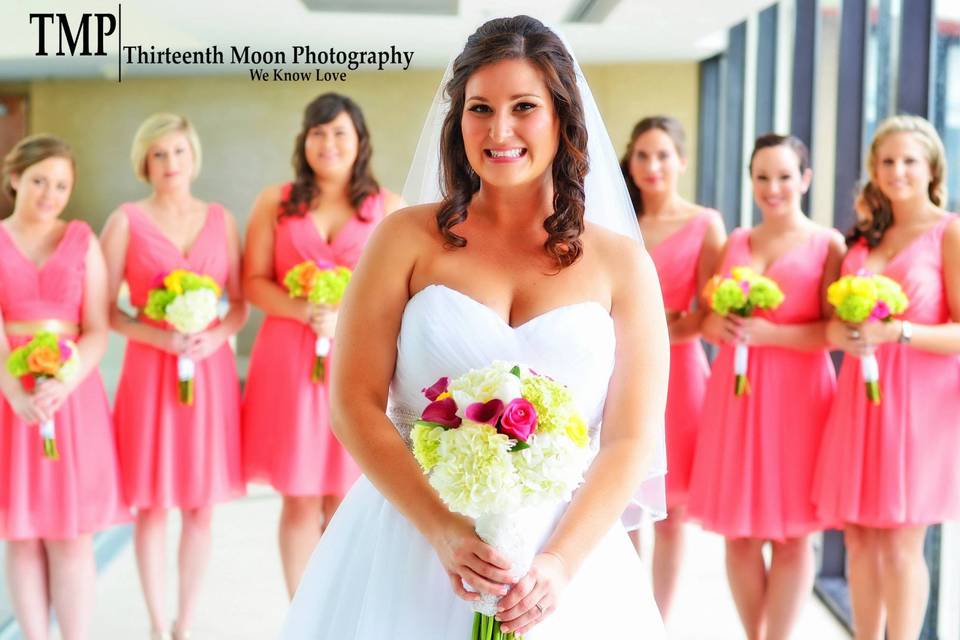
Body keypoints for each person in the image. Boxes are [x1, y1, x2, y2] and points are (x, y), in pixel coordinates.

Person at [279, 15, 669, 639]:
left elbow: (630, 437)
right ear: (456, 119)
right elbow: (353, 402)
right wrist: (443, 529)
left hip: (563, 561)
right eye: (479, 108)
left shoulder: (622, 265)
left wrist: (560, 566)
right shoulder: (403, 239)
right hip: (412, 539)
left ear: (563, 119)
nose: (500, 130)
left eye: (524, 107)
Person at [241, 93, 403, 597]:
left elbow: (398, 291)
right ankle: (300, 611)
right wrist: (302, 311)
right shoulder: (276, 202)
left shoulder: (388, 207)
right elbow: (253, 280)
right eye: (318, 132)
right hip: (288, 357)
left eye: (339, 133)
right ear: (304, 141)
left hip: (356, 357)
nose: (328, 143)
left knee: (344, 493)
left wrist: (346, 319)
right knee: (297, 494)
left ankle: (338, 608)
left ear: (359, 142)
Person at [688, 134, 843, 640]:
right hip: (736, 397)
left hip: (800, 397)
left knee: (795, 535)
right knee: (739, 535)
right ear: (751, 180)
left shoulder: (828, 244)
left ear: (805, 178)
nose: (772, 188)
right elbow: (707, 321)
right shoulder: (734, 242)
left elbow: (833, 330)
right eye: (762, 177)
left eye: (783, 176)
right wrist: (722, 328)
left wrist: (773, 333)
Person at [100, 113, 248, 640]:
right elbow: (106, 312)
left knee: (200, 506)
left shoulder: (220, 219)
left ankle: (186, 621)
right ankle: (156, 623)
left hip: (208, 376)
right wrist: (161, 337)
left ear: (193, 157)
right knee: (152, 506)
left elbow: (239, 306)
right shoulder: (124, 221)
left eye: (178, 152)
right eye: (159, 154)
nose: (170, 164)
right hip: (149, 372)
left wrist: (214, 336)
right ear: (145, 162)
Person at [813, 115, 960, 640]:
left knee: (900, 542)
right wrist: (845, 334)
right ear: (874, 170)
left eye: (909, 161)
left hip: (921, 405)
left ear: (932, 169)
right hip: (859, 396)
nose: (898, 171)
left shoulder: (950, 230)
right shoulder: (863, 238)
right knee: (858, 539)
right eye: (888, 161)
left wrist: (900, 333)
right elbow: (829, 329)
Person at [0, 134, 126, 640]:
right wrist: (15, 391)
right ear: (14, 180)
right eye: (39, 181)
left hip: (73, 401)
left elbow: (97, 326)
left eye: (60, 185)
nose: (49, 193)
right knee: (22, 535)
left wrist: (65, 381)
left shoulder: (82, 240)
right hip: (10, 397)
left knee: (72, 535)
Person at [619, 115, 725, 619]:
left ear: (681, 160)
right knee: (623, 493)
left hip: (682, 375)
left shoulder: (706, 224)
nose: (652, 165)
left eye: (663, 155)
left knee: (674, 508)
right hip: (620, 371)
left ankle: (661, 617)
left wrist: (658, 332)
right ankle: (628, 609)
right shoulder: (613, 218)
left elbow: (708, 315)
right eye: (642, 155)